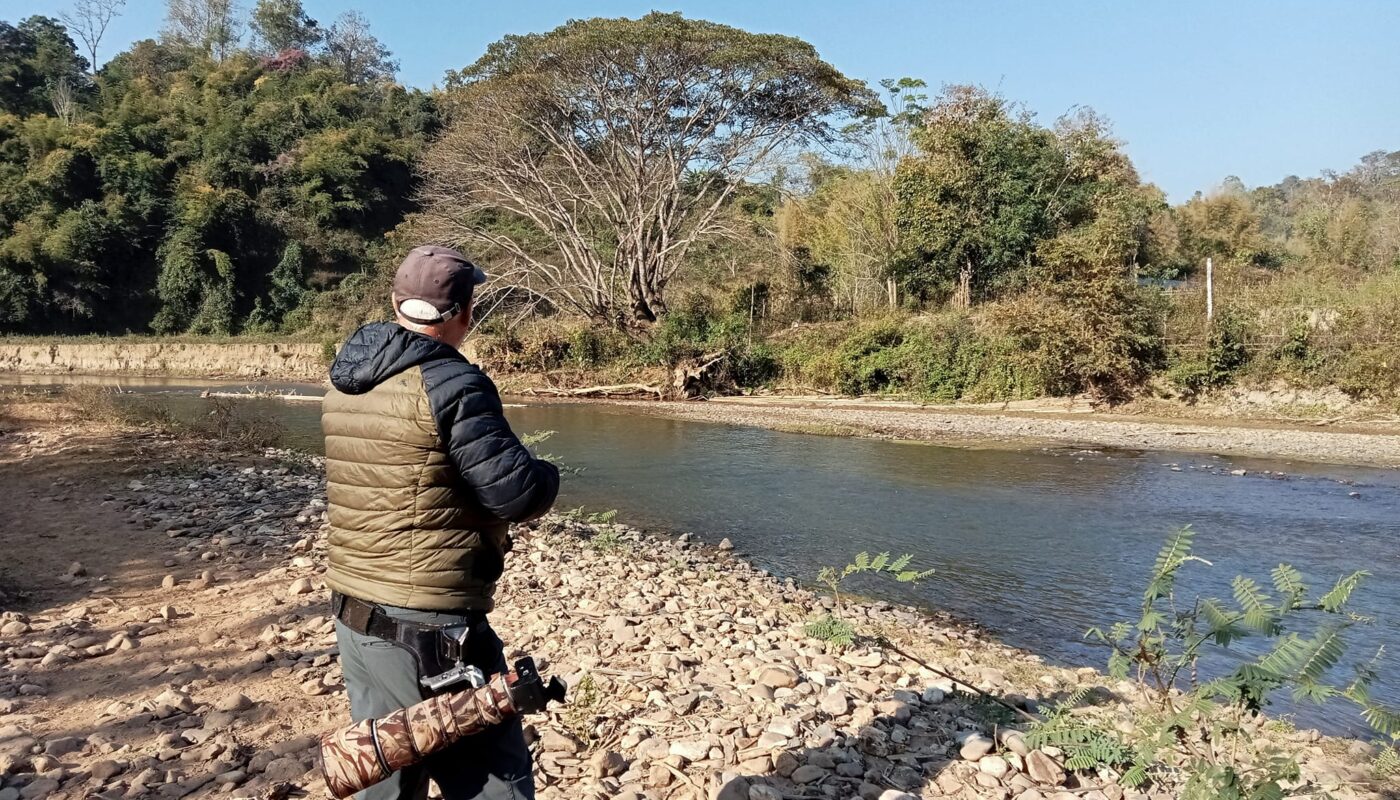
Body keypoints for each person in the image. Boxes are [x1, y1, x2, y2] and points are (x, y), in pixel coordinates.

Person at [321, 245, 559, 800]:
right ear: (465, 313)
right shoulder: (454, 384)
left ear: (397, 303)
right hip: (432, 629)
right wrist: (549, 473)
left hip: (356, 612)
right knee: (493, 784)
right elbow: (517, 493)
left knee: (386, 771)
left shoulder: (346, 378)